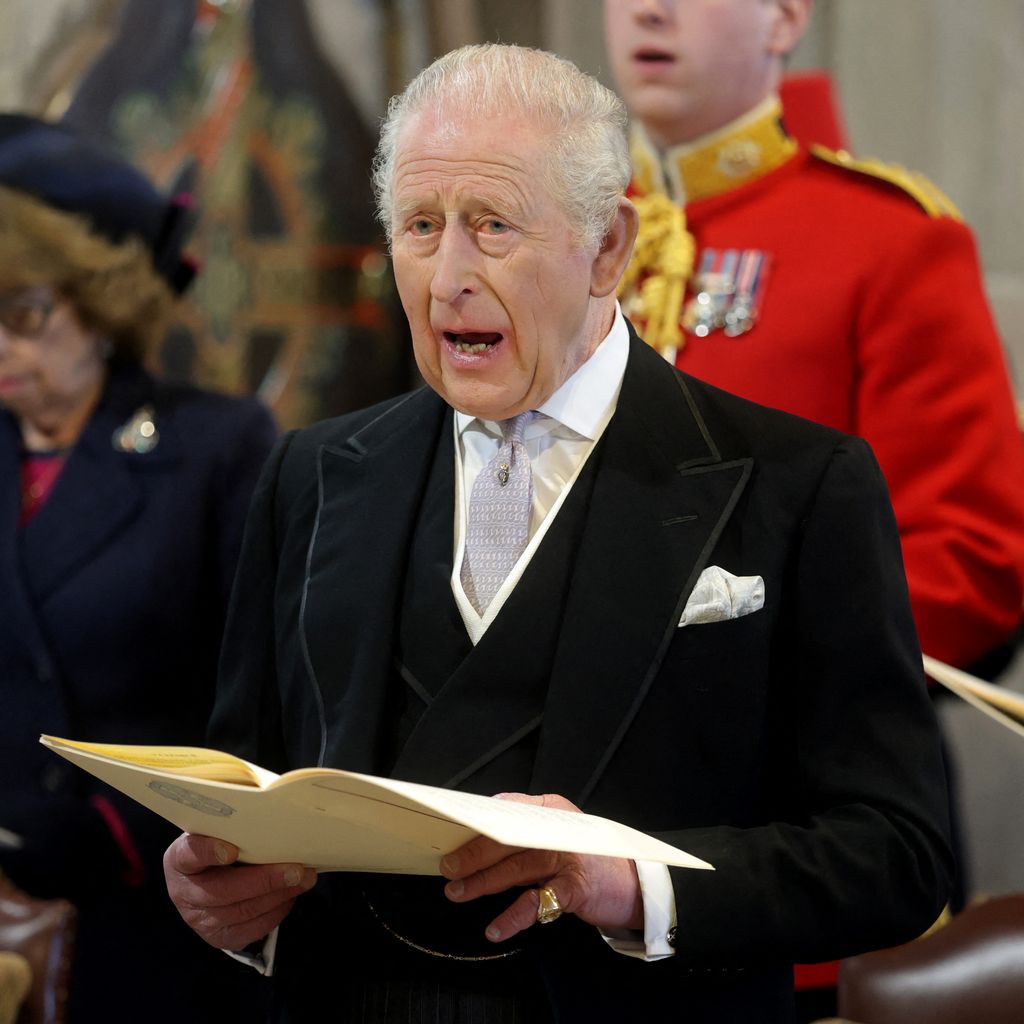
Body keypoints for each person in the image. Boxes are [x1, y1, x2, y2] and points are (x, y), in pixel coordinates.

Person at [163, 44, 952, 1023]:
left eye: (493, 225)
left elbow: (897, 854)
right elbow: (244, 794)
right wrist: (224, 899)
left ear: (608, 248)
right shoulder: (310, 476)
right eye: (420, 226)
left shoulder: (798, 484)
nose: (447, 277)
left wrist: (632, 883)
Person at [604, 0, 1024, 679]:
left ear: (784, 18)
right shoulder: (563, 231)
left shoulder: (892, 239)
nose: (649, 10)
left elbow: (967, 562)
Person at [0, 114, 277, 1021]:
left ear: (102, 303)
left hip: (143, 910)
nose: (0, 344)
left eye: (23, 314)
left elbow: (260, 697)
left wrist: (112, 834)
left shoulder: (216, 448)